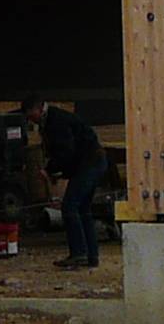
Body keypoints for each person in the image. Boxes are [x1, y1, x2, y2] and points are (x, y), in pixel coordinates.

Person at [25, 93, 106, 269]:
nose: (31, 119)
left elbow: (65, 151)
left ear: (38, 109)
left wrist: (50, 169)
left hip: (89, 163)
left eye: (31, 115)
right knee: (83, 209)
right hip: (94, 161)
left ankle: (79, 253)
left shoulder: (55, 123)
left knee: (69, 206)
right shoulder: (54, 120)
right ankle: (91, 255)